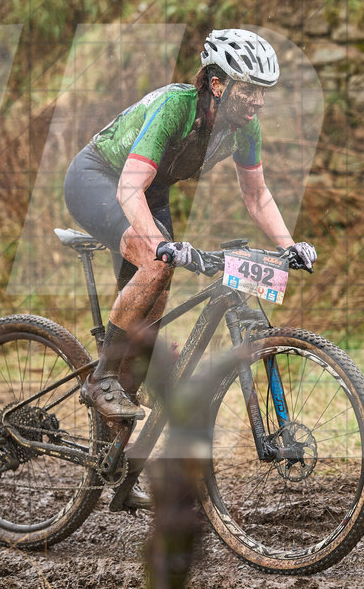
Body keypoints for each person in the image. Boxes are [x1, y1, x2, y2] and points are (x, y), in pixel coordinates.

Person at [63, 28, 318, 425]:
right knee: (157, 261)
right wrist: (159, 247)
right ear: (217, 84)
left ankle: (117, 471)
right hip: (100, 177)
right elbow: (129, 188)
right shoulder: (176, 106)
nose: (259, 101)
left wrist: (290, 245)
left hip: (152, 190)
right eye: (250, 89)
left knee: (158, 294)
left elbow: (257, 195)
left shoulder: (244, 126)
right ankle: (102, 378)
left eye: (264, 91)